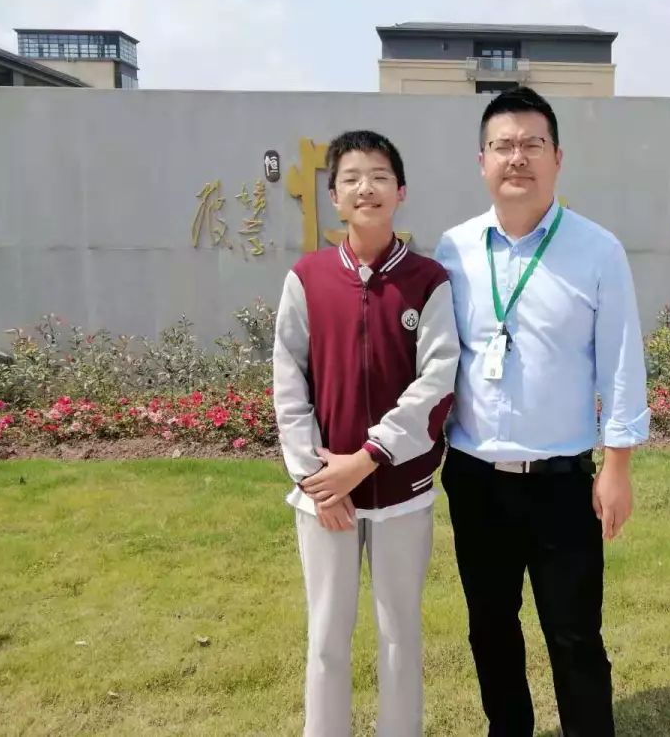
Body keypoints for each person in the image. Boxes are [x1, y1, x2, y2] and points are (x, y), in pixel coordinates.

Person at [434, 87, 650, 737]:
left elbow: (620, 362)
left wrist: (617, 467)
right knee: (490, 628)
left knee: (575, 634)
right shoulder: (454, 250)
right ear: (482, 161)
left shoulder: (597, 250)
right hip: (475, 479)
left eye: (532, 144)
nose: (517, 158)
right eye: (503, 145)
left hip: (562, 484)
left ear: (558, 157)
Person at [272, 129, 460, 737]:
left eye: (379, 176)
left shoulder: (427, 281)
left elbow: (437, 380)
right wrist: (316, 478)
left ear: (400, 191)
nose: (366, 188)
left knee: (399, 633)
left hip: (402, 492)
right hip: (325, 496)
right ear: (334, 197)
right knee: (327, 635)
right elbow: (288, 381)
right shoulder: (308, 277)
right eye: (351, 178)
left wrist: (370, 456)